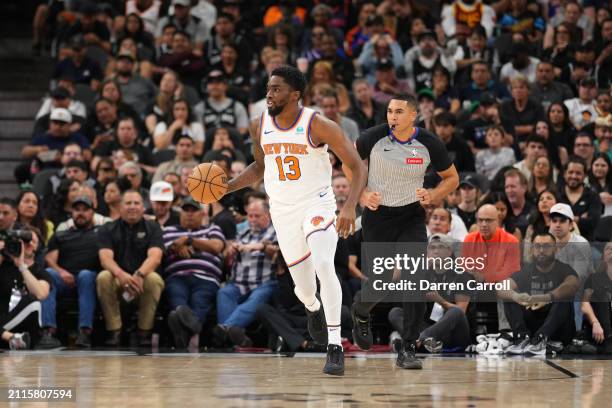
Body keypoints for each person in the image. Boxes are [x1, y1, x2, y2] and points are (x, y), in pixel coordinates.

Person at [224, 66, 367, 376]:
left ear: (295, 95)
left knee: (324, 265)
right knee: (303, 289)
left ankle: (334, 345)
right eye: (268, 88)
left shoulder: (318, 125)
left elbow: (356, 165)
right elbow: (260, 167)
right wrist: (227, 185)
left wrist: (349, 208)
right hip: (283, 211)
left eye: (276, 89)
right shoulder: (258, 124)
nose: (269, 94)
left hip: (317, 203)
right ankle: (313, 308)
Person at [348, 93, 459, 370]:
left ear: (413, 116)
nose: (392, 117)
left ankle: (408, 347)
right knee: (382, 280)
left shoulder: (429, 142)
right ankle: (361, 312)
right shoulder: (372, 137)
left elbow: (452, 178)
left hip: (410, 216)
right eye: (389, 111)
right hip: (378, 216)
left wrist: (433, 194)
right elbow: (348, 164)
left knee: (415, 278)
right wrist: (362, 195)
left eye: (399, 112)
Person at [96, 190, 165, 347]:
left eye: (136, 203)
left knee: (154, 279)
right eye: (128, 203)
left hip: (143, 282)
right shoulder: (107, 228)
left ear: (143, 208)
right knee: (103, 277)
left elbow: (155, 257)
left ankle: (144, 332)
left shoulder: (153, 228)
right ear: (120, 208)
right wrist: (121, 274)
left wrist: (139, 275)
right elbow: (105, 258)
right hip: (119, 281)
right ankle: (115, 332)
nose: (132, 207)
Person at [498, 232, 580, 355]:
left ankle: (542, 338)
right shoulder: (527, 271)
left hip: (558, 330)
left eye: (546, 246)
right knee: (509, 297)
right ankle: (522, 338)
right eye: (537, 246)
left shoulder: (564, 269)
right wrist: (516, 296)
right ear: (532, 249)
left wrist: (546, 298)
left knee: (564, 297)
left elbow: (572, 285)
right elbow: (501, 287)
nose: (541, 250)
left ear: (556, 249)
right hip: (533, 328)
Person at [212, 201, 278, 349]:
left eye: (257, 216)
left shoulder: (275, 231)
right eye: (250, 216)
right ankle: (236, 336)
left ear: (267, 215)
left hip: (264, 282)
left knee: (258, 297)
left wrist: (261, 247)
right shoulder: (242, 232)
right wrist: (230, 251)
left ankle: (225, 328)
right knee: (224, 293)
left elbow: (278, 252)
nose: (253, 219)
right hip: (238, 282)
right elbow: (227, 256)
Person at [162, 197, 225, 350]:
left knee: (199, 299)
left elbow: (217, 247)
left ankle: (182, 331)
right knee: (176, 295)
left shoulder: (212, 228)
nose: (189, 214)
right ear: (180, 212)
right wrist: (175, 247)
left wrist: (189, 240)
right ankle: (191, 328)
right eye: (186, 210)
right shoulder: (168, 230)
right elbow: (162, 251)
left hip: (206, 276)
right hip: (177, 275)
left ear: (202, 213)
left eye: (194, 210)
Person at [37, 196, 99, 349]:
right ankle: (48, 332)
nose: (81, 213)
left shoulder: (101, 233)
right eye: (77, 210)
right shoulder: (61, 234)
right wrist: (62, 272)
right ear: (71, 212)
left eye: (85, 210)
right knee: (49, 273)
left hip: (89, 279)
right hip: (64, 279)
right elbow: (50, 259)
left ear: (92, 213)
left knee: (85, 275)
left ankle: (84, 332)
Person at [0, 229, 51, 350]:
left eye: (32, 241)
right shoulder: (4, 266)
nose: (28, 244)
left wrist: (21, 265)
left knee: (33, 301)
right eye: (23, 241)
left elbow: (41, 294)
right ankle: (11, 338)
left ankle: (10, 337)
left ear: (37, 246)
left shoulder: (40, 272)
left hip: (25, 329)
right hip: (5, 321)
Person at [581, 242, 612, 353]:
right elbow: (584, 304)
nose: (611, 250)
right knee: (603, 295)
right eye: (608, 248)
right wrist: (595, 323)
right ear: (603, 256)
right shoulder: (594, 278)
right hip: (599, 330)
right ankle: (609, 338)